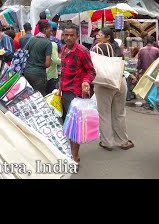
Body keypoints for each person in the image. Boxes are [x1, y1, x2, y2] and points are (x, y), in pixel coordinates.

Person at [92, 28, 134, 151]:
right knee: (119, 113)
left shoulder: (98, 49)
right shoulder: (117, 48)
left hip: (104, 83)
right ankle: (123, 141)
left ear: (108, 37)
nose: (98, 37)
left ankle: (107, 142)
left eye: (100, 35)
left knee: (104, 114)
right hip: (119, 81)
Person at [59, 23, 96, 163]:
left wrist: (86, 81)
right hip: (64, 92)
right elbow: (63, 71)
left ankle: (74, 157)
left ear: (77, 36)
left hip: (76, 94)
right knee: (67, 125)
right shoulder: (63, 49)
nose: (68, 37)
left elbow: (91, 71)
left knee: (75, 127)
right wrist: (59, 87)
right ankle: (71, 152)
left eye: (71, 35)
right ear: (62, 35)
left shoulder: (82, 51)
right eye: (66, 35)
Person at [23, 21, 53, 95]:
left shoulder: (31, 39)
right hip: (39, 75)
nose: (51, 33)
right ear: (45, 30)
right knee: (40, 97)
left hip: (27, 72)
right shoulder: (48, 43)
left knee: (29, 96)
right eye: (50, 30)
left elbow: (24, 53)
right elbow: (47, 64)